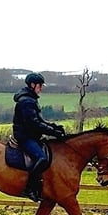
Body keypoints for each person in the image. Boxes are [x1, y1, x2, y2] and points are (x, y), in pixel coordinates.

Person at [12, 72, 66, 202]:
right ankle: (30, 188)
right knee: (41, 158)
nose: (41, 88)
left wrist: (54, 127)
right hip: (25, 137)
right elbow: (34, 123)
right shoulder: (26, 101)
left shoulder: (31, 99)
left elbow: (39, 120)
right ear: (32, 85)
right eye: (39, 85)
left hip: (31, 135)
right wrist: (53, 133)